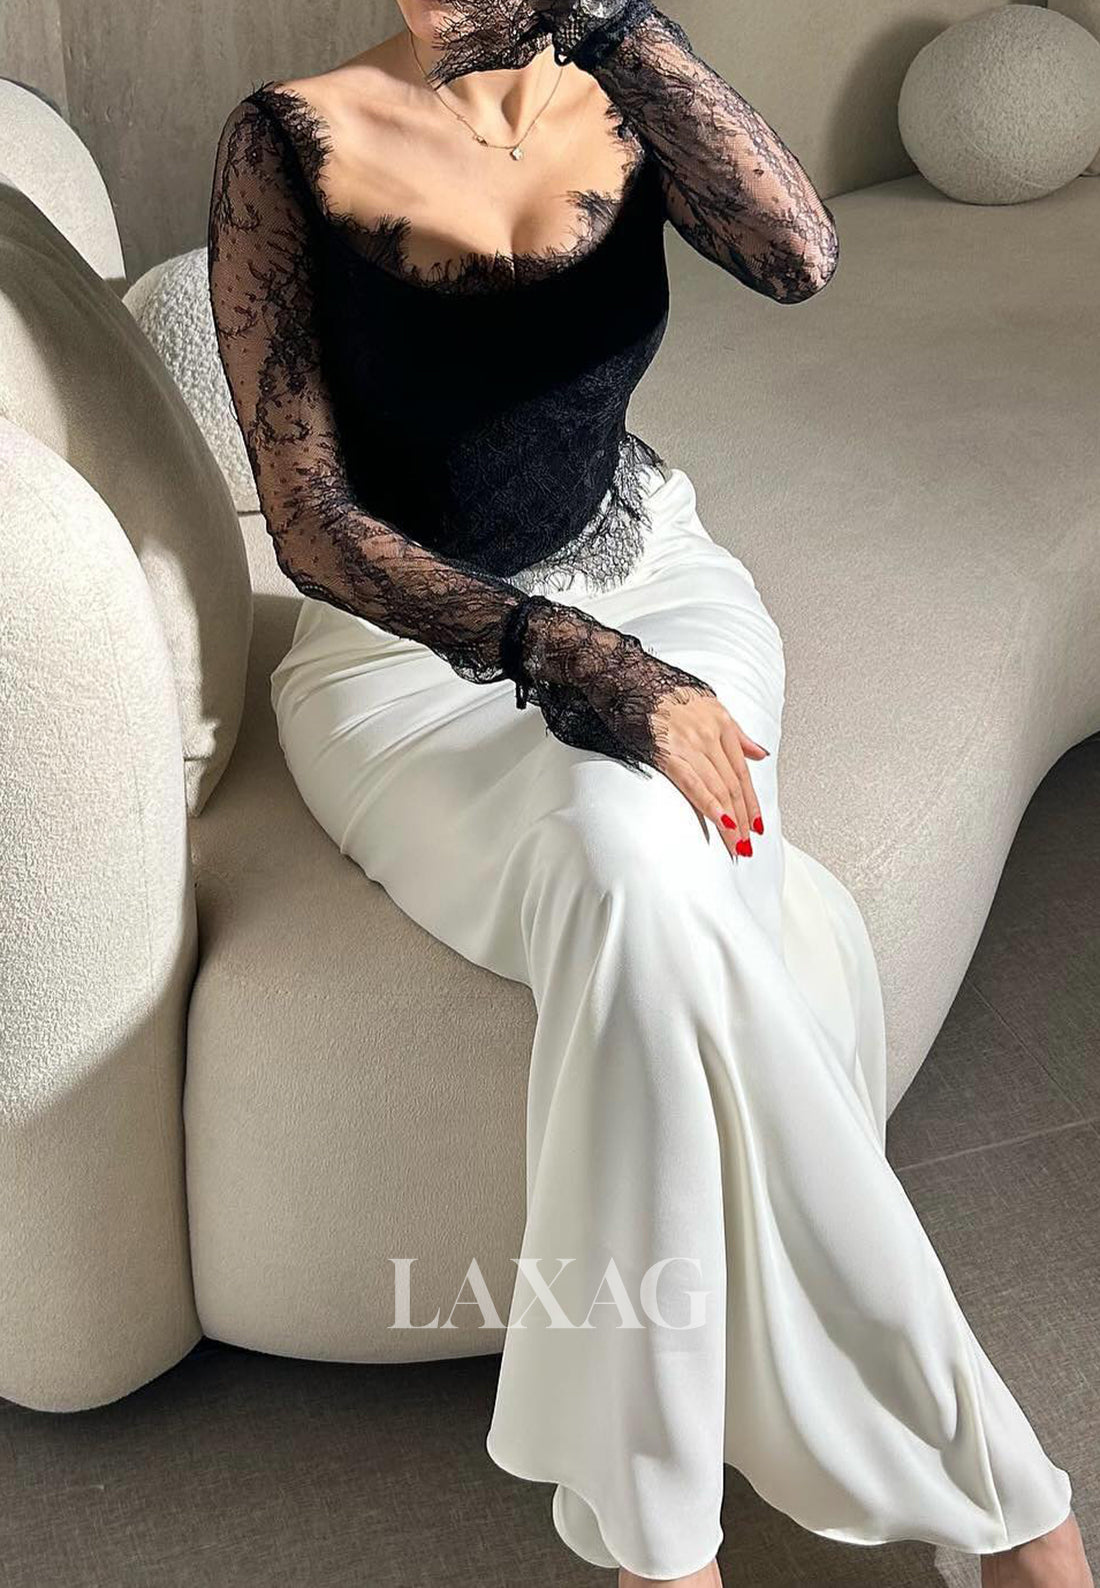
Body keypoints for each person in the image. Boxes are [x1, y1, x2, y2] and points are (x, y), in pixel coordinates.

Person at [206, 2, 1092, 1584]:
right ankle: (1013, 1508)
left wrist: (619, 28)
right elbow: (309, 521)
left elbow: (799, 254)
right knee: (641, 880)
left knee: (636, 871)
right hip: (408, 659)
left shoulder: (618, 87)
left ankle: (658, 1542)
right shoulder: (291, 139)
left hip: (660, 582)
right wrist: (585, 666)